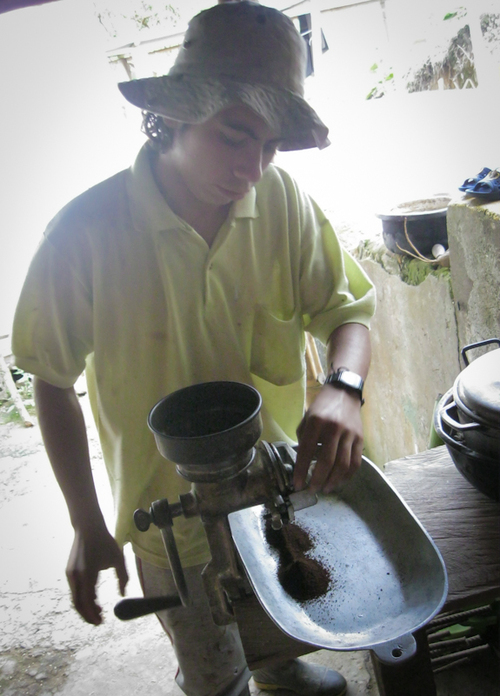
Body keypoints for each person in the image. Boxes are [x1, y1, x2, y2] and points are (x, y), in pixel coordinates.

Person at [12, 3, 375, 696]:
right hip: (165, 522)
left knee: (283, 633)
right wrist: (88, 524)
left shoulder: (283, 205)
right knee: (215, 675)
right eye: (235, 136)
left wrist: (345, 385)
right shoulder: (85, 233)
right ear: (173, 115)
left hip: (275, 498)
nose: (252, 168)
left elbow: (347, 309)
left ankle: (284, 674)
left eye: (269, 147)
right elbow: (52, 380)